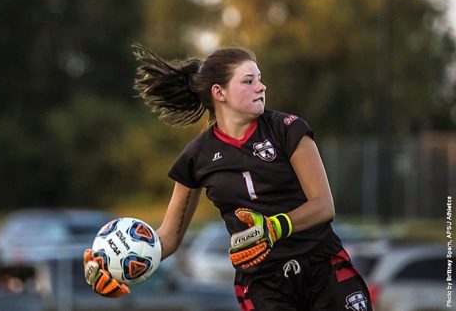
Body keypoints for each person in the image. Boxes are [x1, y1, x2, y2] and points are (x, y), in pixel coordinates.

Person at [83, 44, 373, 311]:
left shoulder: (288, 129)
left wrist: (273, 227)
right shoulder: (196, 157)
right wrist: (114, 268)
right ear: (219, 93)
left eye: (259, 78)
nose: (261, 86)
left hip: (323, 268)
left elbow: (323, 206)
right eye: (248, 81)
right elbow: (167, 238)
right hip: (264, 285)